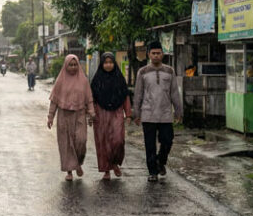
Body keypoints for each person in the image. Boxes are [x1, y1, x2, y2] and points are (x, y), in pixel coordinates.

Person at [133, 41, 183, 182]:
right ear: (149, 55)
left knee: (167, 140)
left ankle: (161, 162)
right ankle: (152, 172)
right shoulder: (142, 72)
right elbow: (138, 94)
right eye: (153, 53)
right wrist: (136, 114)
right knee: (150, 144)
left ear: (162, 54)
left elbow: (174, 92)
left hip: (166, 113)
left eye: (158, 53)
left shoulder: (169, 71)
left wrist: (178, 111)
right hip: (148, 113)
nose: (156, 56)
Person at [46, 54, 96, 181]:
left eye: (75, 65)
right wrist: (50, 117)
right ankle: (70, 171)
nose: (73, 67)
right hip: (64, 115)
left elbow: (89, 99)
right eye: (70, 65)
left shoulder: (83, 80)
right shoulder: (60, 80)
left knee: (81, 140)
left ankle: (78, 162)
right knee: (66, 144)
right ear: (66, 65)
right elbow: (54, 100)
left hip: (80, 114)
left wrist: (91, 113)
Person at [91, 52, 132, 180]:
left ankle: (115, 162)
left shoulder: (119, 79)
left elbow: (125, 97)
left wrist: (129, 114)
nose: (108, 65)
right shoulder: (97, 80)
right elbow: (91, 99)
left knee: (118, 140)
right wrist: (90, 114)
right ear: (102, 64)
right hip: (100, 113)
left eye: (111, 62)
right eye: (106, 62)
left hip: (117, 112)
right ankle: (106, 170)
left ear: (114, 64)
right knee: (103, 142)